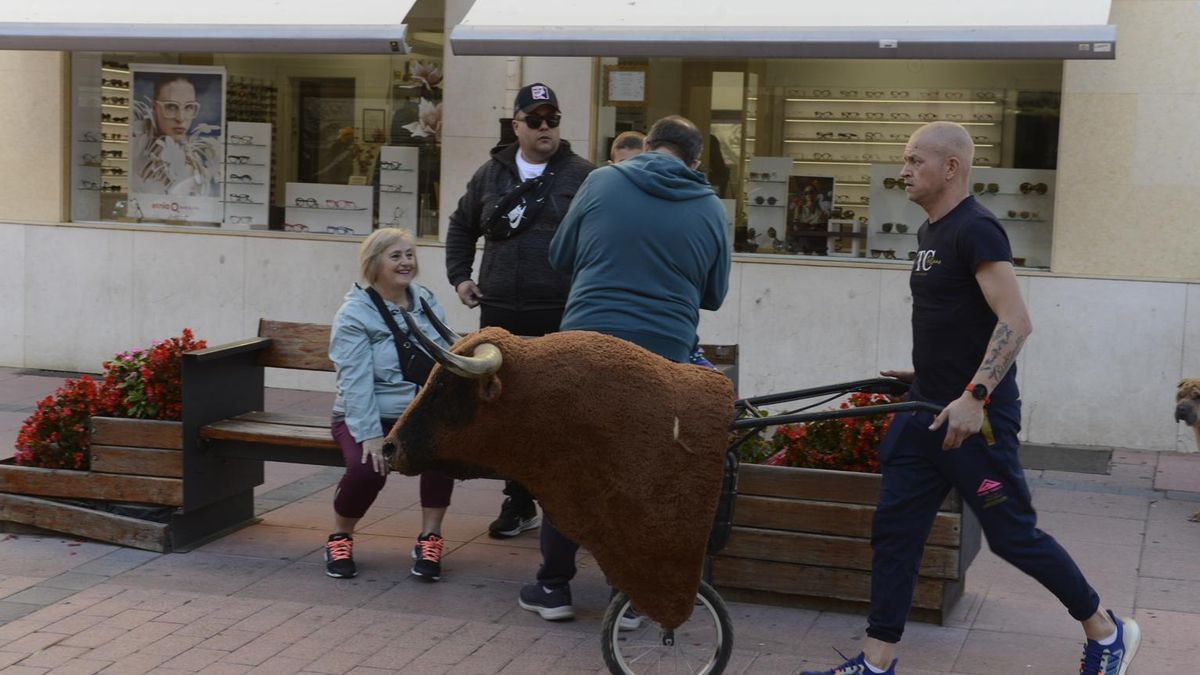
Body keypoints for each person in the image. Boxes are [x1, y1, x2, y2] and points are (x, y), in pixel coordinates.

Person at [802, 122, 1140, 675]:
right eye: (904, 161)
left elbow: (1016, 320)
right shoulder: (929, 232)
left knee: (1013, 536)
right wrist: (923, 373)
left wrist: (976, 393)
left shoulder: (977, 229)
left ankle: (1106, 630)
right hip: (925, 415)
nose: (904, 170)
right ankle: (876, 660)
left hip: (973, 425)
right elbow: (960, 321)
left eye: (914, 160)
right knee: (895, 534)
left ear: (951, 167)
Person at [518, 115, 731, 623]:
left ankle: (554, 588)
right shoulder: (710, 207)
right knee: (642, 470)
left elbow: (560, 253)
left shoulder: (601, 180)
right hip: (663, 355)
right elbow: (715, 295)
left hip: (587, 344)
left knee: (571, 461)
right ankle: (635, 594)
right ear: (696, 161)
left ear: (648, 147)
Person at [444, 82, 595, 539]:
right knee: (506, 407)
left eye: (553, 119)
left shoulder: (584, 176)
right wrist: (460, 276)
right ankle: (519, 500)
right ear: (517, 126)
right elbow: (460, 226)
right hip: (501, 314)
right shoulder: (491, 174)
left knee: (556, 409)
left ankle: (561, 501)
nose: (545, 127)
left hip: (560, 312)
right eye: (535, 119)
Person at [325, 228, 457, 582]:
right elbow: (355, 382)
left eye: (409, 255)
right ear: (374, 264)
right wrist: (369, 435)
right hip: (367, 414)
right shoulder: (354, 314)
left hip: (418, 413)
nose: (405, 263)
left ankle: (430, 537)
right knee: (368, 469)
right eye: (395, 256)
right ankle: (340, 535)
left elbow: (447, 353)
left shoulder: (426, 299)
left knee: (442, 454)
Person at [131, 74, 221, 197]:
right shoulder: (135, 155)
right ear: (154, 108)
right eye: (171, 106)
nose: (181, 118)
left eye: (189, 107)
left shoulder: (200, 165)